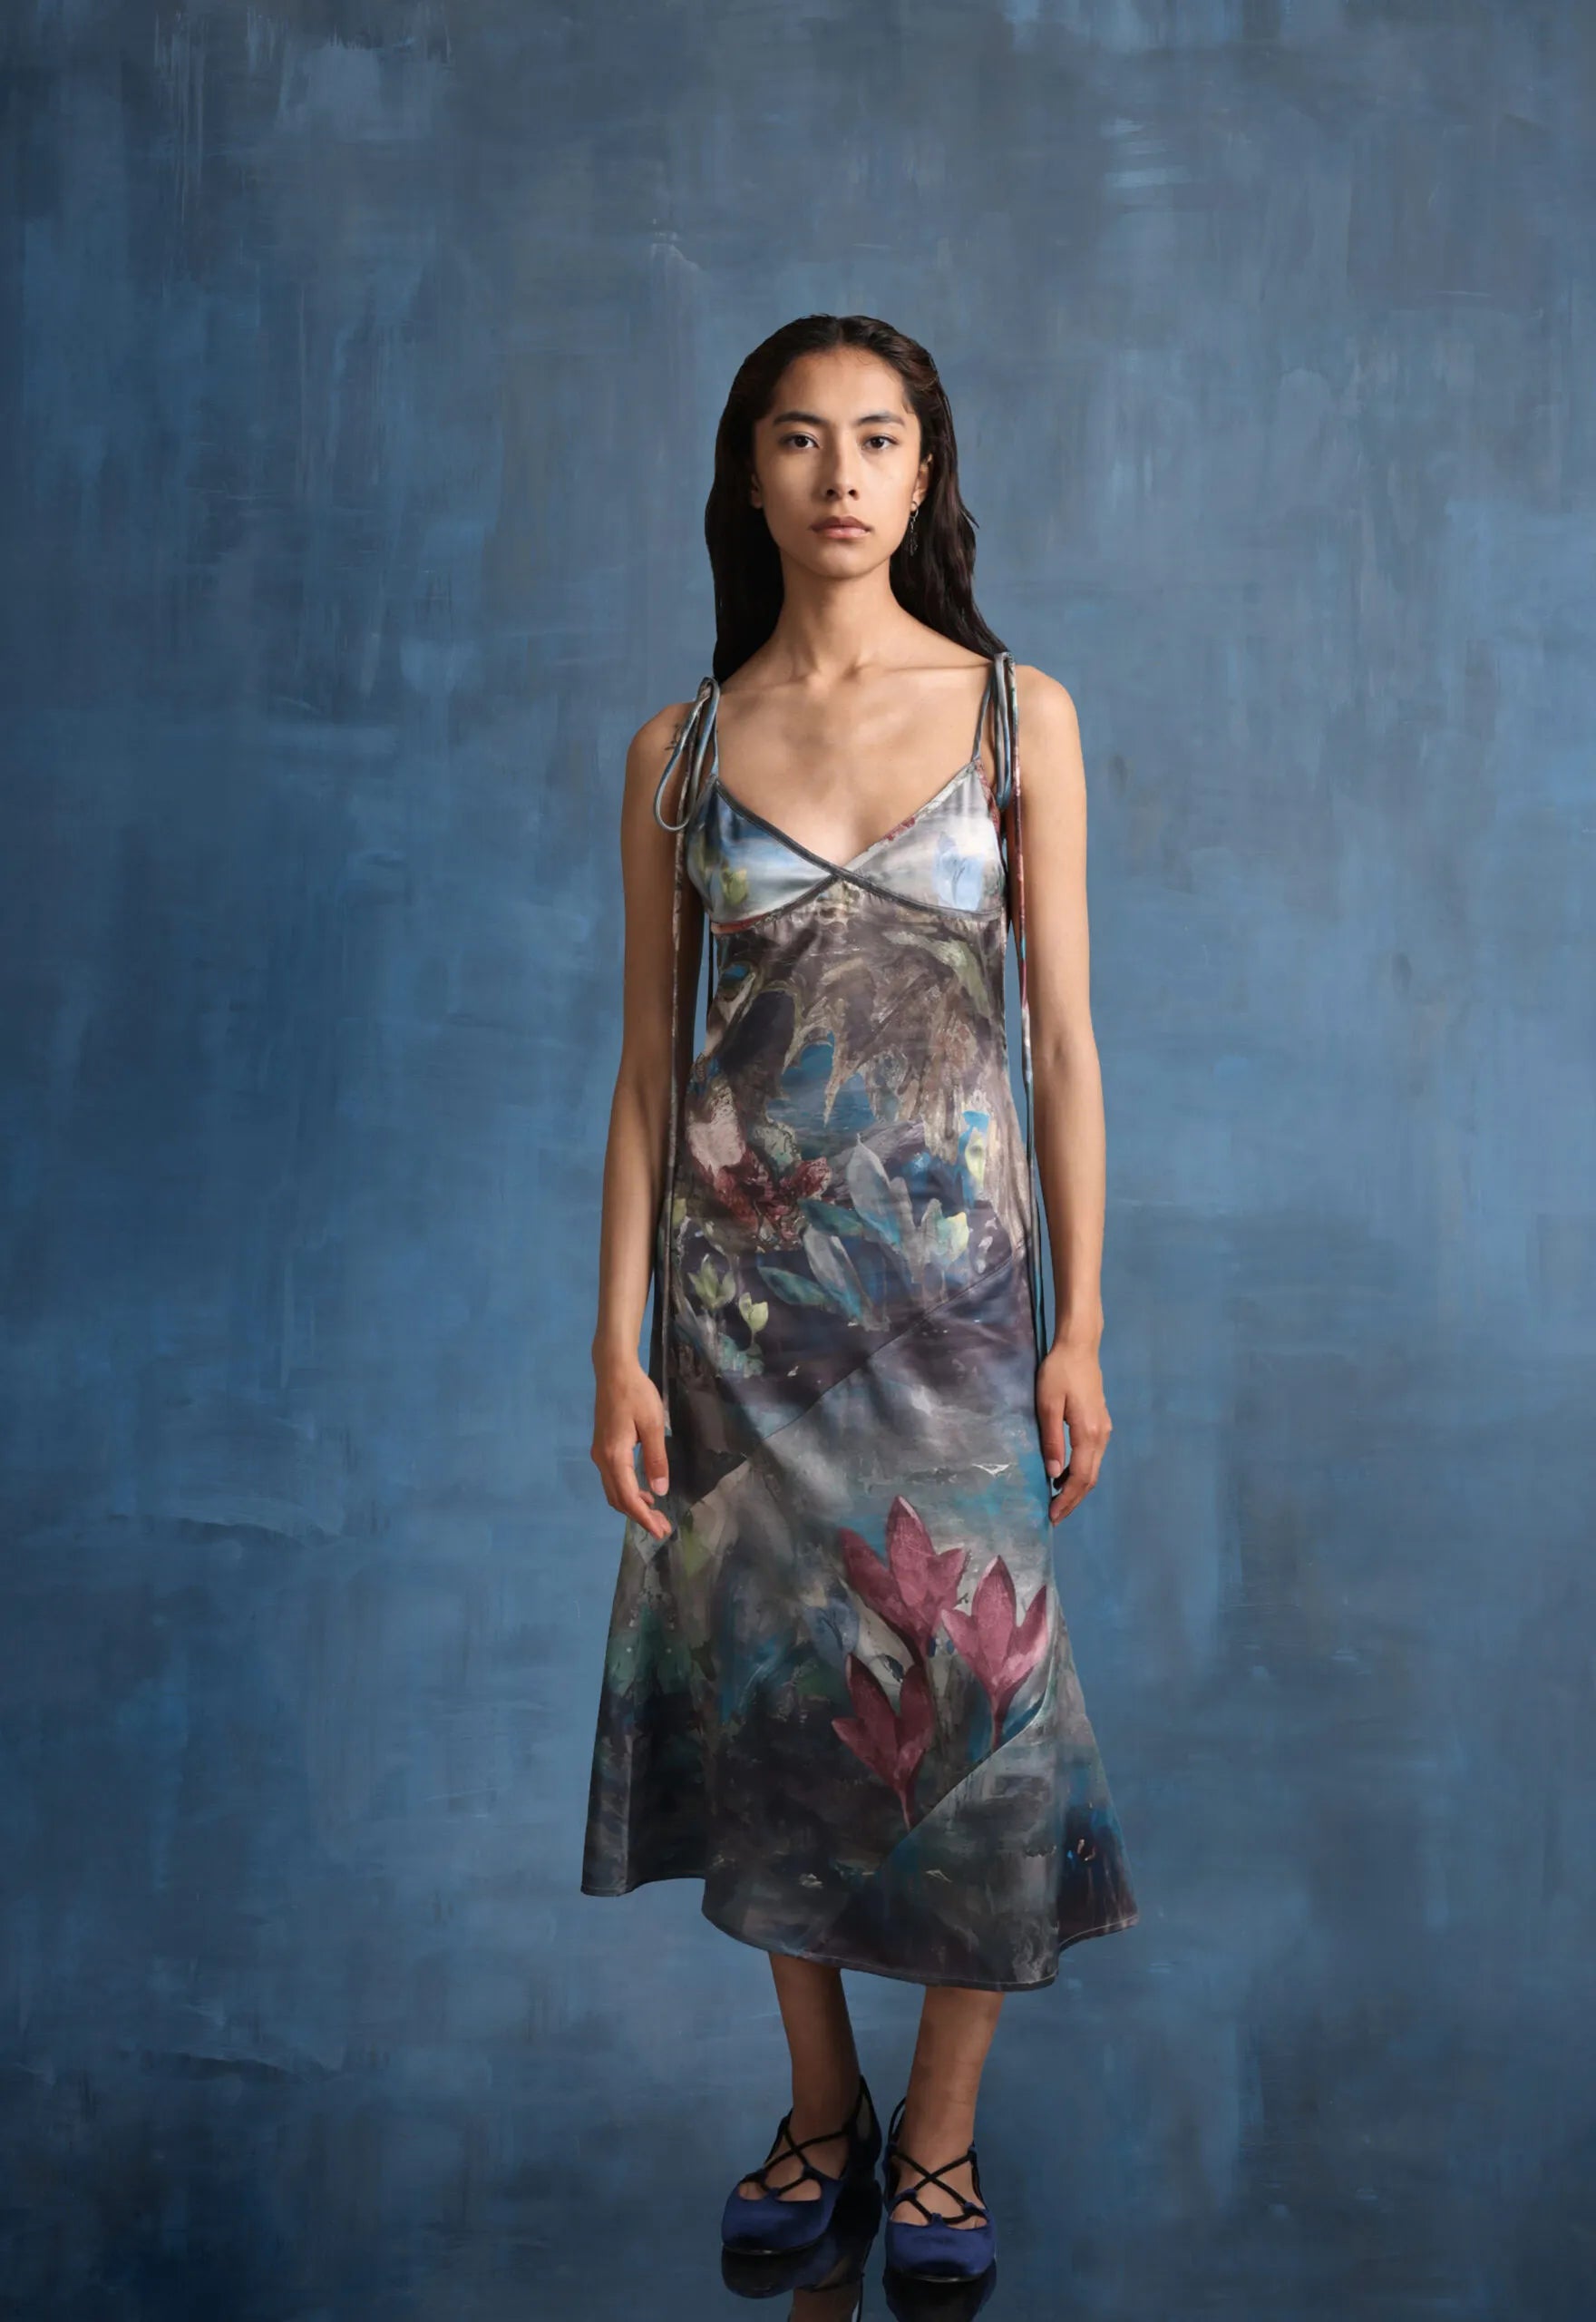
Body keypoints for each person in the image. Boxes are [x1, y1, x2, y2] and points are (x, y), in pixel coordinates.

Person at [582, 313, 1138, 2288]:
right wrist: (615, 1345)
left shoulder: (1014, 717)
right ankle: (822, 2103)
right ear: (750, 475)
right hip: (742, 1324)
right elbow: (649, 1076)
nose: (839, 474)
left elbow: (1060, 1042)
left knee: (977, 1705)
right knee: (777, 1702)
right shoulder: (680, 751)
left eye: (878, 438)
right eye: (800, 438)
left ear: (925, 473)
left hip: (961, 1308)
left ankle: (943, 2134)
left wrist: (1079, 1322)